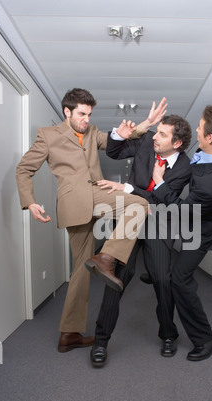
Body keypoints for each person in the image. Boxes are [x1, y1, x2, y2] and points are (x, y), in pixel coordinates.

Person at [15, 88, 166, 353]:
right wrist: (29, 201)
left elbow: (117, 138)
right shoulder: (48, 136)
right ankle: (70, 331)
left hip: (97, 194)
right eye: (82, 114)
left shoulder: (92, 132)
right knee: (81, 268)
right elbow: (24, 169)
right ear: (67, 111)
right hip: (74, 203)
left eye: (89, 114)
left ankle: (105, 257)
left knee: (138, 204)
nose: (86, 119)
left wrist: (146, 124)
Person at [85, 115, 192, 367]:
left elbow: (161, 200)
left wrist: (128, 189)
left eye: (162, 134)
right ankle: (101, 341)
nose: (154, 136)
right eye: (157, 131)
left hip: (158, 222)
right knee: (116, 277)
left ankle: (168, 334)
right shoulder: (145, 142)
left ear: (176, 144)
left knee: (162, 279)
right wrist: (119, 135)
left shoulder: (185, 167)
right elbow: (114, 152)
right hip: (130, 218)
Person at [152, 105, 212, 362]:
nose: (196, 128)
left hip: (205, 228)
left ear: (210, 138)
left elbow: (181, 210)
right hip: (205, 213)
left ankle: (206, 340)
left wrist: (160, 182)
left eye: (200, 126)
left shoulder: (210, 185)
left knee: (179, 280)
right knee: (176, 272)